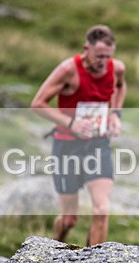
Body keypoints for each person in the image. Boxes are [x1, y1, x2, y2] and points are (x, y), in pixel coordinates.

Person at [31, 25, 127, 245]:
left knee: (102, 209)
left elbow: (121, 87)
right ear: (86, 49)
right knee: (69, 219)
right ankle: (55, 251)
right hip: (66, 147)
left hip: (97, 143)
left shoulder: (117, 68)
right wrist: (71, 123)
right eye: (99, 56)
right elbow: (37, 104)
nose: (103, 62)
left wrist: (116, 115)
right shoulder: (68, 70)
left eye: (108, 56)